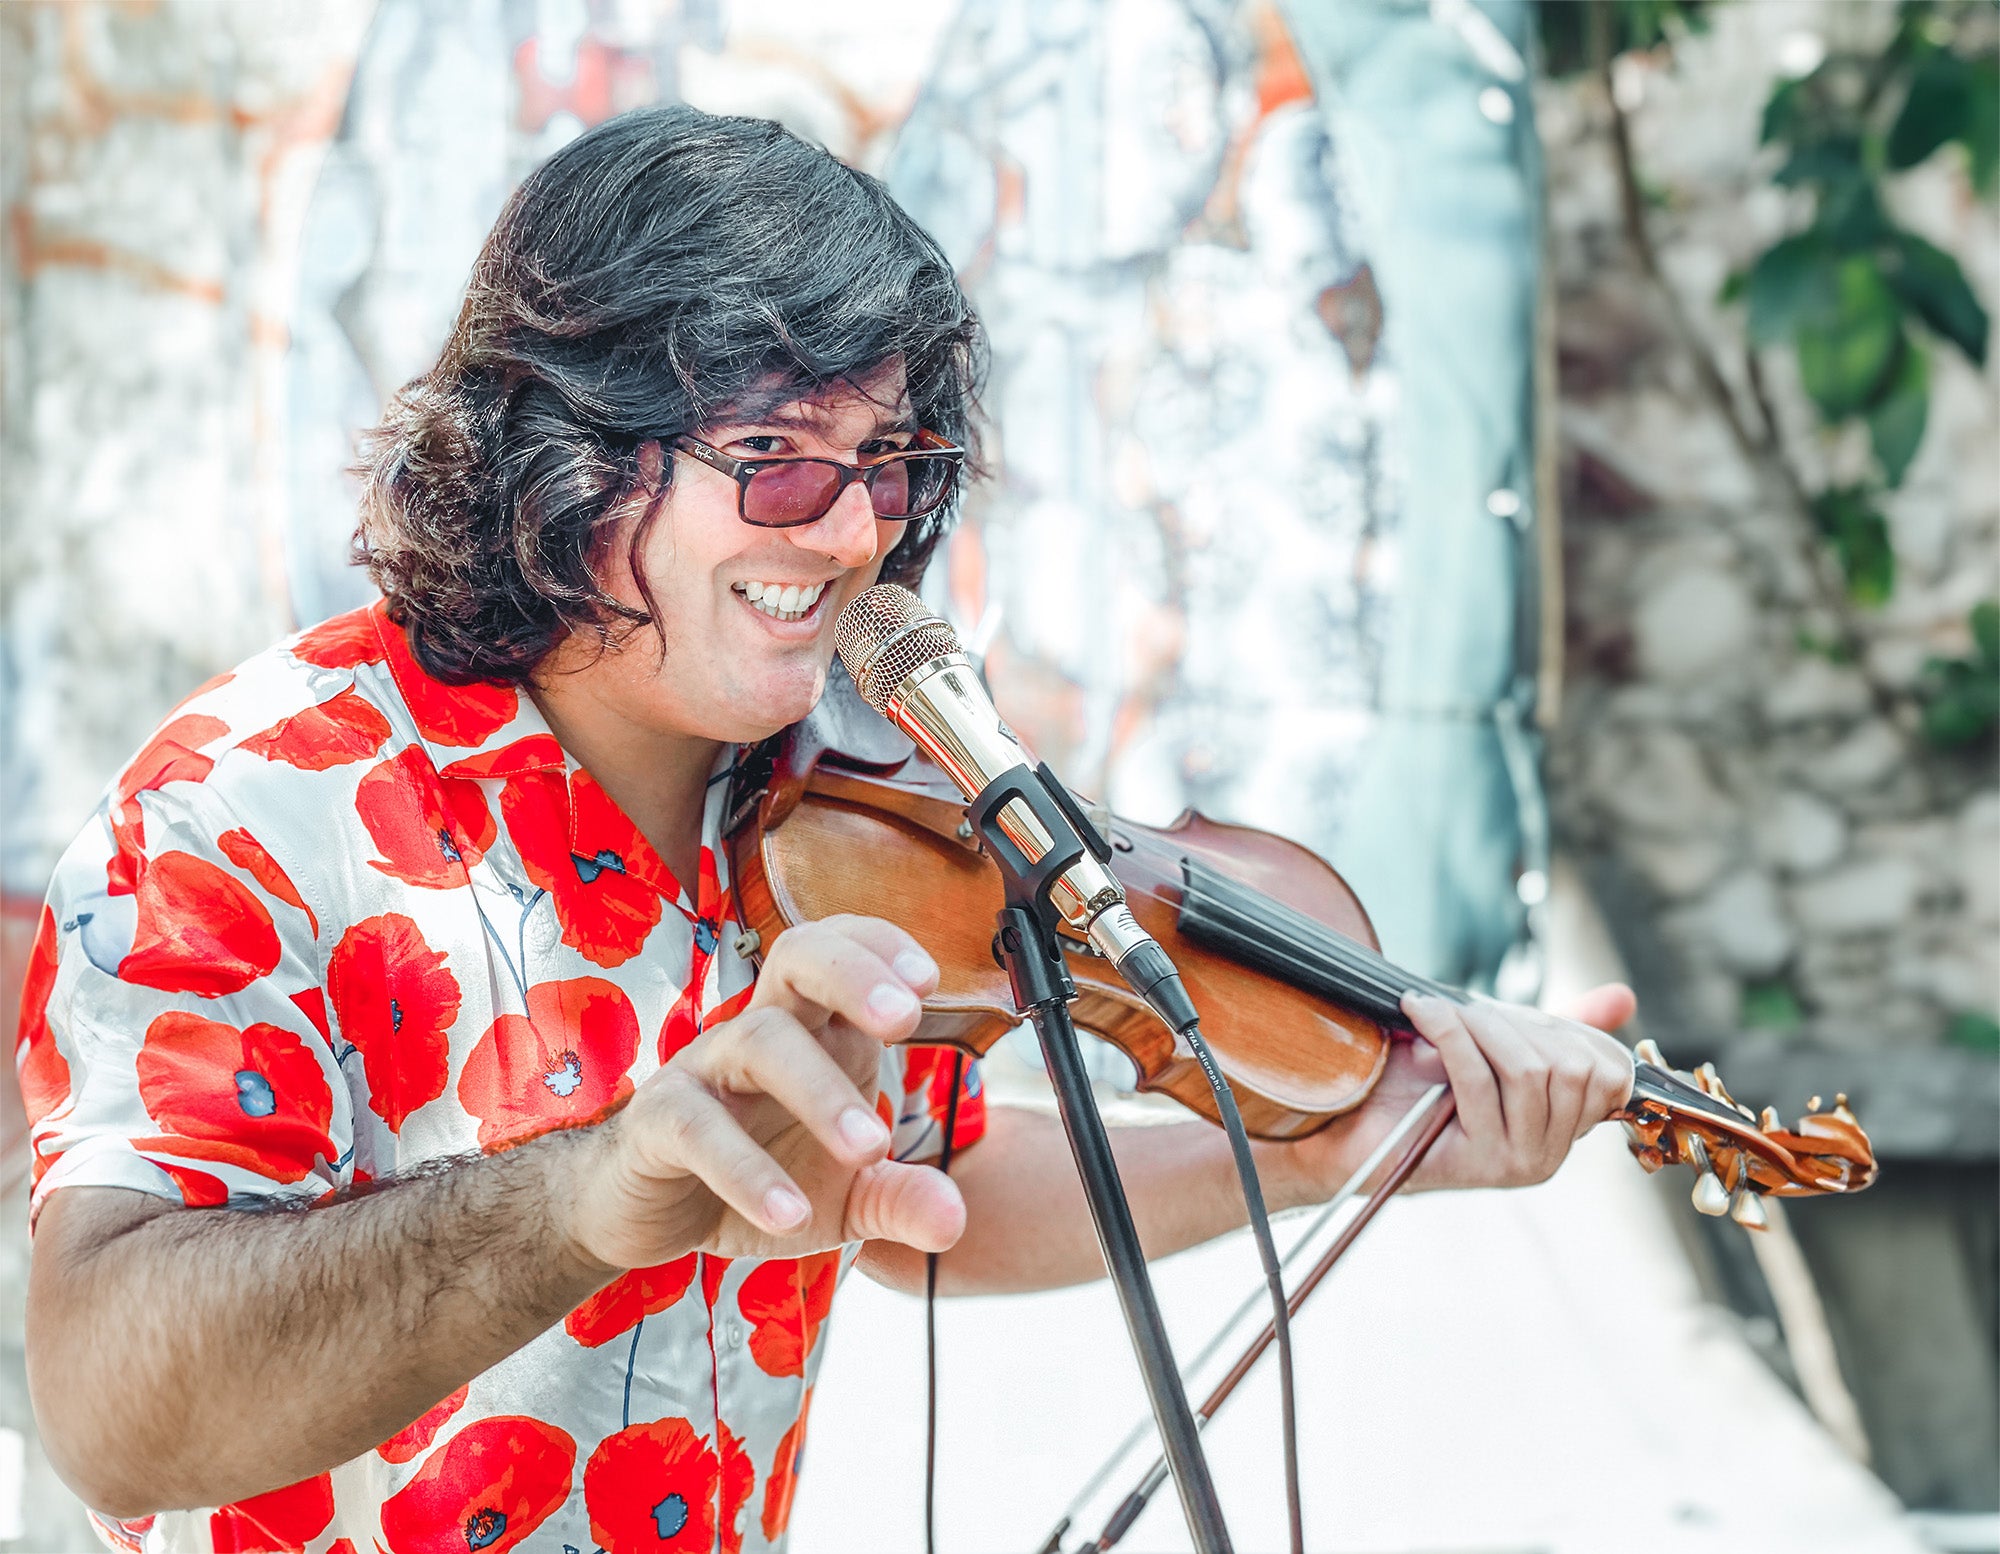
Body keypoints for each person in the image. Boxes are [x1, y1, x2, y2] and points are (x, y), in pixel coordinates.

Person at [19, 105, 1636, 1554]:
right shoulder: (249, 802)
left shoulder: (836, 796)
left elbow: (924, 1195)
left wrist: (1330, 1147)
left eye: (886, 462)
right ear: (558, 448)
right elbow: (108, 1402)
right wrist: (587, 1194)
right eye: (773, 462)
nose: (857, 528)